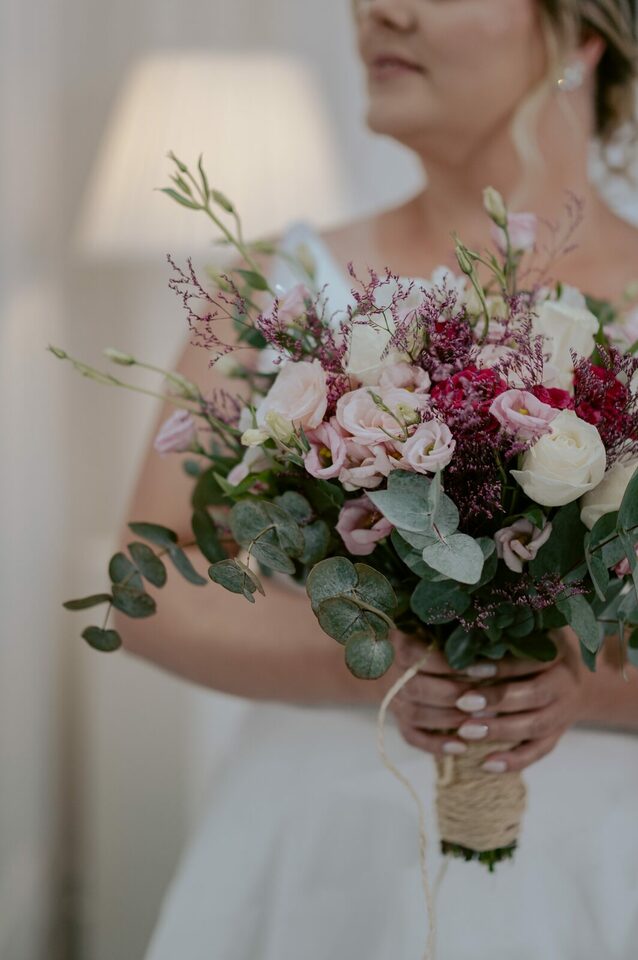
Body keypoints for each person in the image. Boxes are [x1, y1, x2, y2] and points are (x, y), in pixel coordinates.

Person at [118, 2, 638, 958]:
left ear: (583, 31)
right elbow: (150, 587)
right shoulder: (270, 291)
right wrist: (384, 663)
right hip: (317, 864)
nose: (379, 12)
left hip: (600, 871)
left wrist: (586, 687)